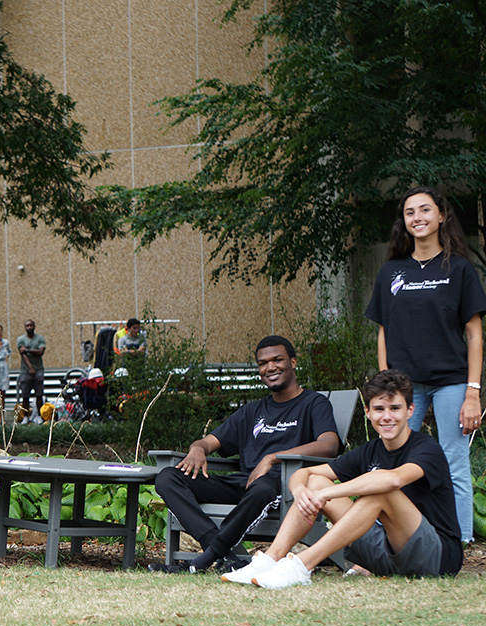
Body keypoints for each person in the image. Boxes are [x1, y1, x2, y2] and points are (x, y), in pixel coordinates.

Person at [224, 370, 463, 588]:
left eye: (395, 408)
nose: (387, 417)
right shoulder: (370, 450)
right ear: (368, 413)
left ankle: (301, 566)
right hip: (387, 555)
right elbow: (305, 473)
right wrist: (299, 490)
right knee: (315, 482)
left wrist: (328, 493)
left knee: (379, 490)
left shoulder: (426, 448)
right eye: (379, 409)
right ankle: (269, 560)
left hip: (436, 557)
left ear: (410, 410)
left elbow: (393, 480)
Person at [150, 335, 340, 573]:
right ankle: (223, 554)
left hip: (282, 486)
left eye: (277, 360)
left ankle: (202, 561)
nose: (270, 367)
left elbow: (329, 444)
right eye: (263, 363)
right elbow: (209, 441)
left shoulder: (314, 403)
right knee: (168, 477)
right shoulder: (252, 411)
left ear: (293, 362)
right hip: (244, 486)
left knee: (262, 487)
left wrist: (272, 458)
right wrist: (197, 448)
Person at [365, 186, 486, 544]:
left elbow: (475, 336)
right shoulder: (391, 272)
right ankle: (384, 538)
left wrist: (473, 392)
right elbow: (384, 331)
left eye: (425, 210)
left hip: (451, 381)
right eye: (409, 213)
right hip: (403, 385)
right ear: (404, 222)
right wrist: (386, 385)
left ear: (441, 216)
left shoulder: (460, 270)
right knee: (392, 462)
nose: (417, 218)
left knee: (452, 462)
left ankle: (458, 540)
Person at [16, 319, 47, 424]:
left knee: (39, 394)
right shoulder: (21, 339)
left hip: (38, 370)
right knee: (25, 395)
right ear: (25, 327)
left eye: (31, 325)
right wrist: (30, 368)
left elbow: (40, 352)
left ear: (34, 326)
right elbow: (22, 354)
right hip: (25, 371)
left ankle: (39, 415)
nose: (29, 327)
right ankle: (25, 416)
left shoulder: (40, 339)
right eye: (27, 326)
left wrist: (28, 350)